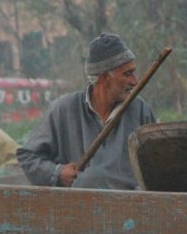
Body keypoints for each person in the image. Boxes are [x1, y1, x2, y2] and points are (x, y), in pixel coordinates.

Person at [17, 32, 156, 190]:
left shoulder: (140, 110)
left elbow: (157, 164)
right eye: (127, 74)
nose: (135, 81)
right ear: (104, 78)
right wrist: (57, 173)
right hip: (77, 210)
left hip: (129, 210)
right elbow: (28, 156)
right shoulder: (63, 110)